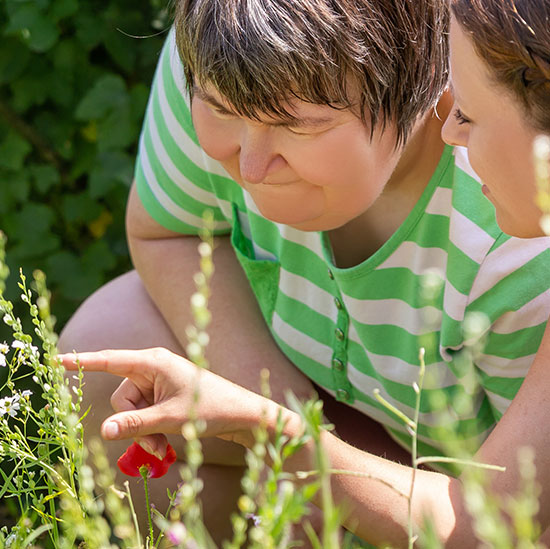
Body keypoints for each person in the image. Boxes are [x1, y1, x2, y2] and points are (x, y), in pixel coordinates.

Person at [59, 0, 550, 545]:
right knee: (106, 343)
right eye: (220, 108)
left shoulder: (517, 232)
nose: (250, 169)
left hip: (465, 490)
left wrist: (278, 438)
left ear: (427, 84)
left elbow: (504, 524)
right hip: (349, 417)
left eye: (296, 125)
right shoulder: (227, 54)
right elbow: (164, 230)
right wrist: (288, 430)